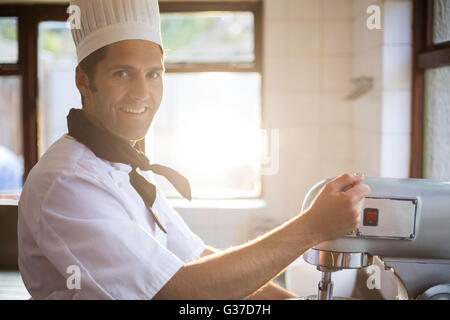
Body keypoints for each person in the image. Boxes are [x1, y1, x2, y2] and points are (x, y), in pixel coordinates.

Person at [18, 0, 370, 300]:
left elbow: (197, 258)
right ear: (83, 80)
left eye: (153, 74)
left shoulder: (127, 171)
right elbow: (177, 290)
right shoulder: (67, 181)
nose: (142, 93)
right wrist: (311, 228)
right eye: (123, 73)